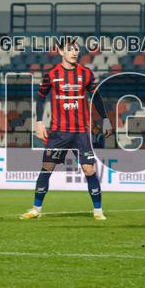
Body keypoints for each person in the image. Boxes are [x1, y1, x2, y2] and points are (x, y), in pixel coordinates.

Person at [20, 40, 112, 221]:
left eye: (76, 49)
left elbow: (96, 96)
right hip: (58, 132)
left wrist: (106, 119)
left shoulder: (85, 74)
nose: (74, 52)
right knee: (46, 168)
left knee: (89, 170)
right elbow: (39, 98)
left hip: (80, 132)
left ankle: (98, 211)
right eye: (70, 49)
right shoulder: (52, 75)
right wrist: (39, 122)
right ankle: (36, 209)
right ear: (61, 52)